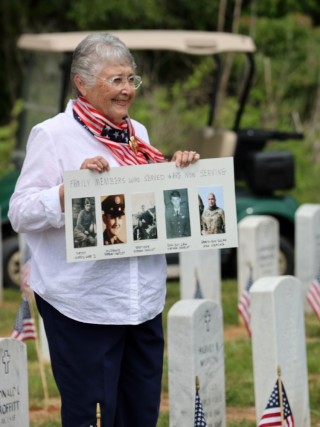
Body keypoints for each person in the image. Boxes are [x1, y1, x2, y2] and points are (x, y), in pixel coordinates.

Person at [8, 33, 200, 426]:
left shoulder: (137, 134)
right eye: (115, 80)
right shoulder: (53, 135)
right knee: (91, 417)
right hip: (83, 306)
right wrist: (69, 191)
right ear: (81, 82)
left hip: (142, 300)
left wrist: (180, 170)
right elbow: (20, 213)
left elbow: (147, 204)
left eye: (131, 79)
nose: (127, 90)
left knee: (140, 413)